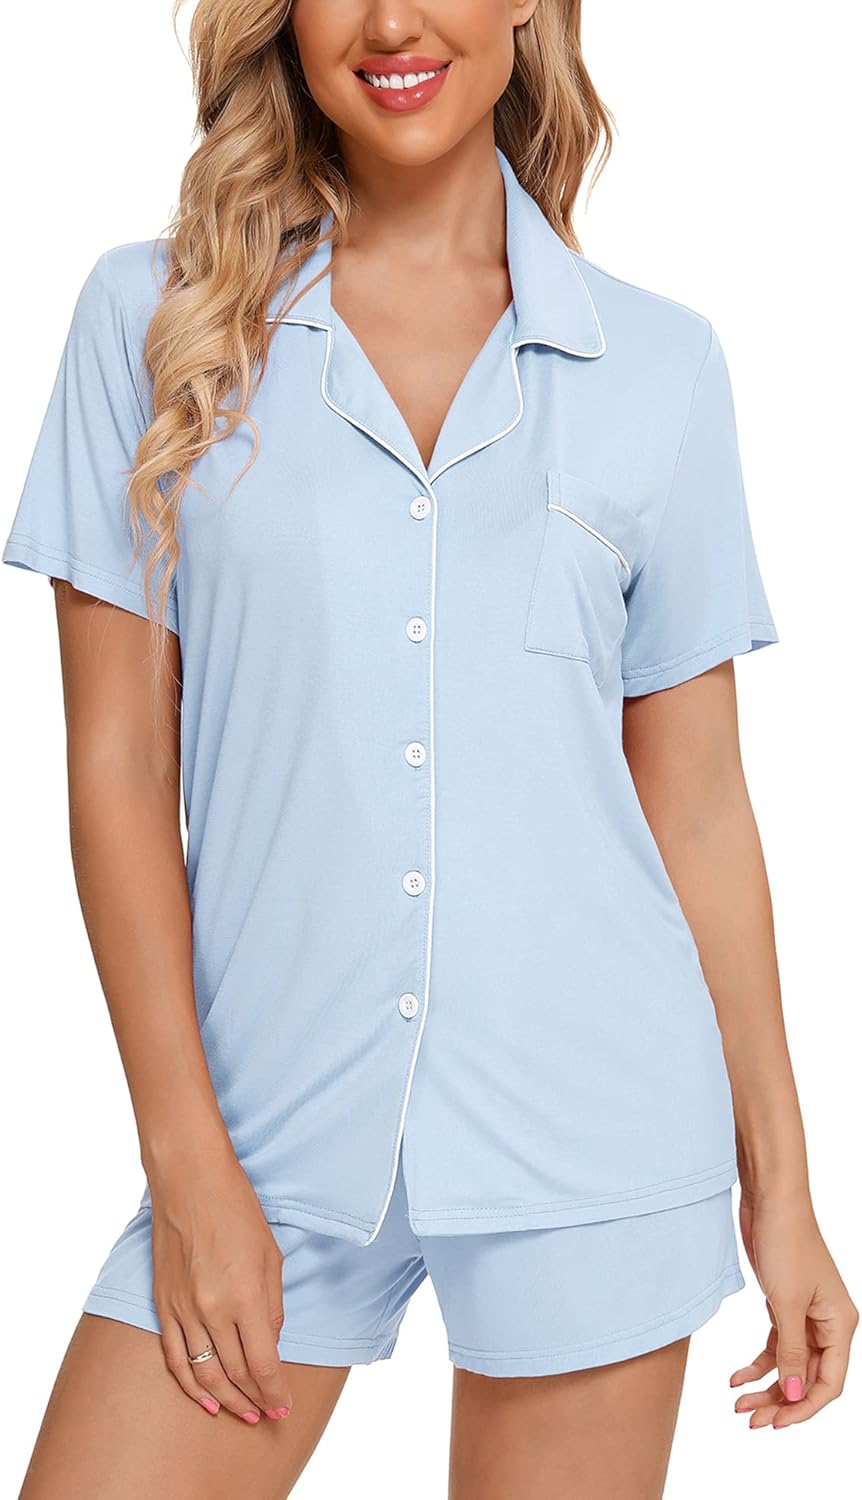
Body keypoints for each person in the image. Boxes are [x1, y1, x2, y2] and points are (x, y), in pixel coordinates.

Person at [4, 2, 857, 1497]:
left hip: (592, 1135)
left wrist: (782, 1190)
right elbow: (116, 778)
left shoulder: (656, 366)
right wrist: (186, 1166)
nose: (393, 20)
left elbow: (701, 807)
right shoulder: (155, 320)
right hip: (264, 1132)